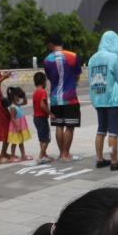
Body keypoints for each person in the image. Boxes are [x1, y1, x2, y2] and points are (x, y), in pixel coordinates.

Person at [88, 30, 118, 171]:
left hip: (98, 98)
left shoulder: (92, 58)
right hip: (112, 99)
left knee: (101, 129)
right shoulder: (113, 58)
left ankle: (100, 159)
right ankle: (114, 161)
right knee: (113, 132)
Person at [43, 34, 82, 162]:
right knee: (69, 126)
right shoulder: (73, 56)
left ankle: (61, 154)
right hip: (70, 97)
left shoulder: (47, 60)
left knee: (59, 126)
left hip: (55, 98)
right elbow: (77, 76)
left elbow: (50, 78)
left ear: (51, 45)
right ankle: (66, 154)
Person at [6, 86, 32, 161]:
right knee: (14, 142)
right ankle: (12, 156)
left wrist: (24, 95)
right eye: (18, 97)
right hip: (15, 128)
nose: (20, 99)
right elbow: (12, 118)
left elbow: (25, 102)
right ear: (14, 97)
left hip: (20, 126)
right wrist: (17, 127)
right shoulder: (13, 107)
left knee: (21, 142)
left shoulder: (17, 105)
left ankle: (23, 155)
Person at [32, 71, 52, 164]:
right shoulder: (42, 91)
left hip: (36, 118)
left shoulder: (35, 92)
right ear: (44, 81)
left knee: (41, 137)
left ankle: (44, 154)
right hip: (42, 118)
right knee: (46, 138)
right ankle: (40, 156)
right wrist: (50, 113)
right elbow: (42, 105)